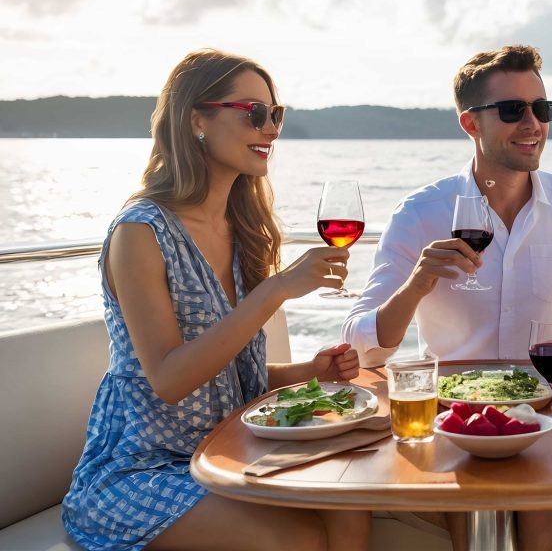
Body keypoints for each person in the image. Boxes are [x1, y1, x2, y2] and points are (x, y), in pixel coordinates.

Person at [62, 49, 371, 551]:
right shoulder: (141, 232)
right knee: (300, 540)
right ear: (196, 120)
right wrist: (277, 289)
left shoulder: (246, 229)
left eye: (276, 115)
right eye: (253, 112)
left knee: (351, 510)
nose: (270, 129)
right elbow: (170, 379)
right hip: (144, 471)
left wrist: (308, 374)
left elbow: (229, 382)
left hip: (230, 452)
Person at [342, 44, 552, 551]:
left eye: (541, 109)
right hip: (453, 421)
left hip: (550, 415)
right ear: (470, 123)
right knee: (472, 513)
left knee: (543, 526)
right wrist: (418, 283)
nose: (533, 124)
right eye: (512, 110)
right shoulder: (420, 213)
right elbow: (362, 347)